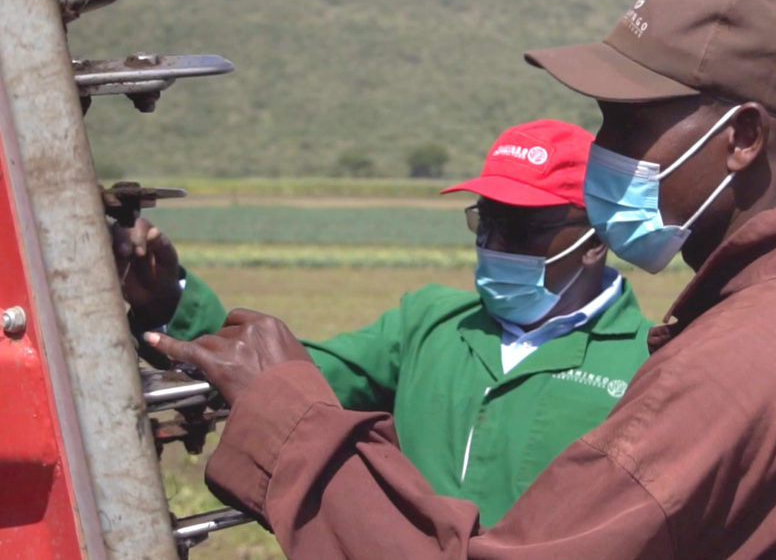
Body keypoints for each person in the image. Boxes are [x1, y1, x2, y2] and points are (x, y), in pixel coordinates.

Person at [145, 0, 776, 559]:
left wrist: (289, 432)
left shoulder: (727, 368)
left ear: (742, 137)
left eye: (628, 123)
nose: (603, 154)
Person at [117, 119, 652, 527]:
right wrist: (170, 300)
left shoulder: (645, 364)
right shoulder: (428, 324)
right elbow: (285, 376)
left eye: (520, 228)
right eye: (484, 222)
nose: (492, 244)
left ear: (595, 240)